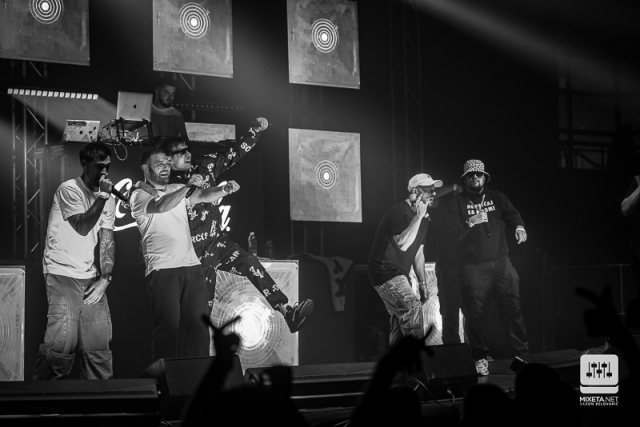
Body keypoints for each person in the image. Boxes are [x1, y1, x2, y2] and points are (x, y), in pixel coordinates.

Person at [155, 127, 313, 333]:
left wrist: (255, 131)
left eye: (188, 150)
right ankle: (192, 349)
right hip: (192, 253)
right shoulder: (167, 186)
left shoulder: (205, 165)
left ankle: (287, 311)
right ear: (168, 159)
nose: (187, 154)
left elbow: (235, 152)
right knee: (201, 312)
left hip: (217, 241)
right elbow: (186, 202)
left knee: (249, 262)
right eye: (180, 152)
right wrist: (203, 188)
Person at [130, 148, 235, 362]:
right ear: (145, 169)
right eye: (159, 163)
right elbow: (161, 206)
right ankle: (164, 377)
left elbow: (203, 195)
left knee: (199, 327)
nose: (165, 167)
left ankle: (199, 375)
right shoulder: (138, 195)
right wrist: (186, 187)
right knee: (168, 328)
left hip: (191, 267)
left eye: (167, 163)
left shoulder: (176, 188)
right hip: (163, 269)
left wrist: (224, 189)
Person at [34, 142, 117, 380]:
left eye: (108, 166)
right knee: (60, 346)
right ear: (84, 164)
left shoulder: (108, 199)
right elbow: (82, 226)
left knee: (98, 346)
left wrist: (105, 278)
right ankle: (46, 399)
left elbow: (107, 239)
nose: (104, 172)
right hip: (62, 274)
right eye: (99, 166)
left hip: (90, 276)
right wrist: (103, 196)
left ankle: (100, 400)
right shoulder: (68, 190)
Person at [445, 159, 529, 375]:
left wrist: (519, 227)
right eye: (471, 175)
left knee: (513, 307)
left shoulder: (497, 197)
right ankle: (480, 357)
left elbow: (512, 214)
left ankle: (521, 356)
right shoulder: (457, 203)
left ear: (485, 178)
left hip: (501, 261)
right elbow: (451, 235)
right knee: (476, 312)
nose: (475, 177)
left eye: (479, 174)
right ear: (465, 179)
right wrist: (470, 222)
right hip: (473, 265)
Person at [368, 173, 442, 345]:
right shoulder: (401, 211)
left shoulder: (424, 219)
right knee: (412, 309)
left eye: (434, 190)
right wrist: (418, 217)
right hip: (384, 269)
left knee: (399, 319)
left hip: (398, 273)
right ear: (415, 191)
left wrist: (423, 284)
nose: (433, 193)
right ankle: (415, 359)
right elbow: (402, 243)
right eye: (428, 190)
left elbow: (418, 253)